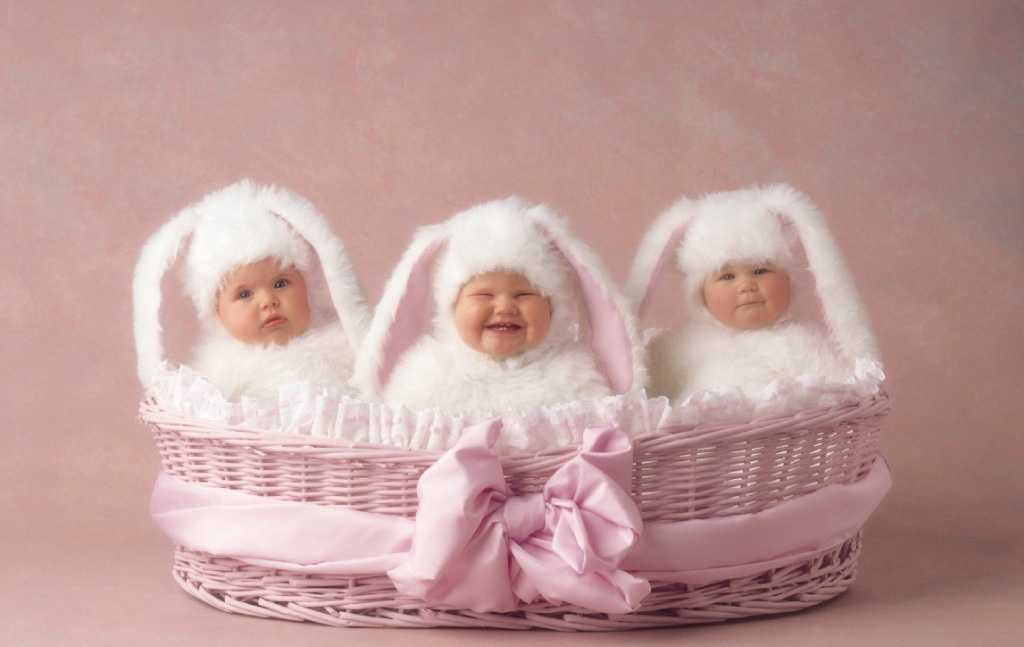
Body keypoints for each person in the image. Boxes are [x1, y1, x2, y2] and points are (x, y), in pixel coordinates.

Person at [351, 196, 647, 415]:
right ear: (452, 307)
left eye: (524, 294)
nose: (504, 307)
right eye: (484, 295)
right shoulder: (427, 376)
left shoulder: (576, 378)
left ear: (553, 308)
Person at [625, 184, 879, 405]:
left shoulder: (802, 346)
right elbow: (640, 391)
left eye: (760, 271)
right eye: (727, 277)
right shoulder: (679, 349)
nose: (747, 286)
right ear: (700, 292)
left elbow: (843, 395)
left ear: (789, 280)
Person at [133, 179, 370, 402]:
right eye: (244, 294)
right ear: (217, 311)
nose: (268, 301)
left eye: (280, 284)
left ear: (308, 286)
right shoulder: (218, 373)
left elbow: (378, 395)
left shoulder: (346, 346)